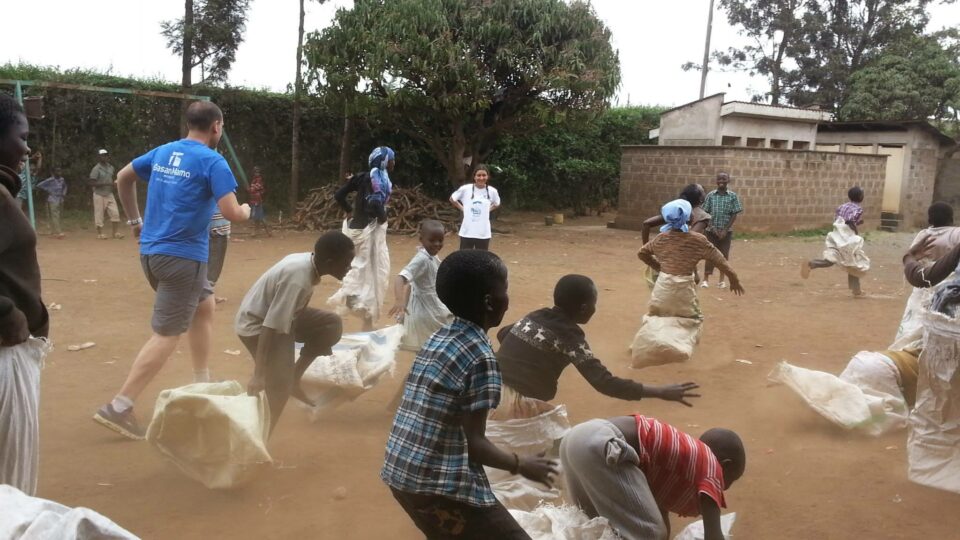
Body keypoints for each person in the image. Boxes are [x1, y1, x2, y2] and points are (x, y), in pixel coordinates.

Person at [92, 101, 250, 440]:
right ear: (217, 127)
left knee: (204, 306)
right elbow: (232, 213)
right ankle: (120, 406)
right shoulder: (213, 161)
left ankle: (201, 381)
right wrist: (248, 210)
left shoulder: (164, 152)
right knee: (167, 333)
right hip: (184, 259)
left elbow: (123, 177)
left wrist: (135, 220)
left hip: (152, 254)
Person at [381, 250, 557, 539]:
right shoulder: (480, 356)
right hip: (435, 485)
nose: (508, 298)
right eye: (505, 289)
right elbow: (475, 444)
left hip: (401, 472)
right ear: (490, 301)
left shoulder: (439, 337)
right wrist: (521, 464)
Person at [493, 274, 700, 416]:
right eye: (594, 303)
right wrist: (660, 392)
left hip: (488, 387)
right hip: (515, 406)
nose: (594, 308)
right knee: (557, 452)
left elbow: (504, 333)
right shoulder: (570, 335)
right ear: (584, 308)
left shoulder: (535, 316)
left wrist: (530, 358)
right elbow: (604, 382)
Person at [235, 231, 355, 432]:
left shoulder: (308, 262)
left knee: (331, 324)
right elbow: (270, 326)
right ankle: (260, 439)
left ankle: (294, 378)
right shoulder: (298, 279)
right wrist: (259, 374)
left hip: (283, 318)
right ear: (329, 261)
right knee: (278, 387)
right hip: (256, 325)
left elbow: (285, 314)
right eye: (346, 263)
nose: (349, 268)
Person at [561, 415, 745, 540]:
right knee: (650, 533)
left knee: (597, 527)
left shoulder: (681, 457)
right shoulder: (712, 468)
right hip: (603, 445)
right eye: (730, 480)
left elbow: (654, 511)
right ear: (725, 464)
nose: (723, 488)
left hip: (576, 440)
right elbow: (714, 535)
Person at [0, 94, 50, 495]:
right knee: (11, 494)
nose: (27, 147)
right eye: (22, 136)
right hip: (4, 356)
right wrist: (4, 312)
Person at [328, 146, 395, 331]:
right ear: (384, 161)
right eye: (391, 159)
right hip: (368, 232)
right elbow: (374, 203)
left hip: (354, 230)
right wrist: (383, 219)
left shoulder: (363, 176)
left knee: (357, 267)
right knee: (375, 272)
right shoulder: (379, 179)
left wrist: (349, 211)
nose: (393, 163)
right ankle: (365, 316)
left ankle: (357, 305)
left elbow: (339, 195)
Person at [890, 202, 960, 351]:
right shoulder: (957, 233)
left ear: (929, 220)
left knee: (914, 317)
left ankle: (907, 347)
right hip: (948, 281)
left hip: (925, 280)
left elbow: (913, 255)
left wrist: (908, 258)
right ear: (952, 219)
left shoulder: (923, 235)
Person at [388, 220, 452, 352]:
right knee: (437, 345)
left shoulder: (430, 256)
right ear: (421, 240)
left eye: (440, 240)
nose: (437, 244)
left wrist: (405, 306)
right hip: (428, 312)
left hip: (428, 309)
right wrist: (399, 302)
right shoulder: (422, 259)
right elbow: (400, 278)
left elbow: (411, 285)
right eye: (432, 240)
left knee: (427, 349)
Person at [800, 186, 868, 297]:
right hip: (847, 239)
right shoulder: (858, 209)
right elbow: (850, 221)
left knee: (832, 259)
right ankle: (856, 290)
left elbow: (839, 221)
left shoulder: (841, 206)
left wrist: (857, 223)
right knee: (853, 261)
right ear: (860, 197)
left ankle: (811, 264)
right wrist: (855, 232)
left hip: (836, 236)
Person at [641, 183, 711, 288]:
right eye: (703, 191)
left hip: (661, 262)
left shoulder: (677, 211)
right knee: (682, 301)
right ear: (700, 198)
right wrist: (695, 272)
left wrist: (648, 251)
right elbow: (691, 244)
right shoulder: (702, 217)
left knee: (660, 298)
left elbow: (646, 224)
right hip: (680, 268)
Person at [700, 172, 742, 289]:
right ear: (716, 181)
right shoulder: (711, 195)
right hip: (710, 231)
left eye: (724, 178)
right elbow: (705, 212)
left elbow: (734, 214)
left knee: (723, 256)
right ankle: (705, 280)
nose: (721, 181)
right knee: (710, 255)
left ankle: (721, 280)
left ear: (728, 180)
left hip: (726, 233)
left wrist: (725, 230)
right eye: (719, 179)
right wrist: (713, 228)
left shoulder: (732, 196)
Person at [450, 165, 501, 250]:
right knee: (465, 258)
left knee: (481, 259)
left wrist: (487, 210)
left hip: (483, 233)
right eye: (479, 175)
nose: (481, 178)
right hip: (467, 232)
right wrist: (463, 209)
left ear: (488, 176)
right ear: (474, 177)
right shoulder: (465, 189)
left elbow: (497, 203)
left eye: (484, 175)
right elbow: (452, 199)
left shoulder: (492, 191)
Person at [88, 149, 123, 240]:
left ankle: (115, 233)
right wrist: (107, 184)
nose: (104, 157)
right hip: (99, 194)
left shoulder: (111, 167)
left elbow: (112, 179)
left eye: (106, 155)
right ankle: (100, 234)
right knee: (99, 214)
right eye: (102, 155)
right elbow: (92, 183)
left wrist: (115, 184)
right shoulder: (96, 169)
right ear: (98, 157)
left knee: (115, 213)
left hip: (109, 193)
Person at [36, 166, 67, 239]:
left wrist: (64, 193)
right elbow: (39, 185)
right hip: (52, 199)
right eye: (57, 171)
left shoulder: (62, 179)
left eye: (60, 171)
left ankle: (54, 230)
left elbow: (65, 186)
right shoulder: (50, 180)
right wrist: (48, 189)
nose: (59, 173)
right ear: (53, 173)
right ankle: (58, 232)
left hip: (60, 199)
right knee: (55, 215)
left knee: (59, 215)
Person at [207, 212, 230, 303]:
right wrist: (244, 210)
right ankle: (207, 296)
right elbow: (232, 211)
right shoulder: (220, 196)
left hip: (211, 228)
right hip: (217, 230)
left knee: (207, 264)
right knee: (214, 265)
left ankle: (207, 295)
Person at [248, 166, 271, 237]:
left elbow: (255, 189)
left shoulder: (259, 180)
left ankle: (268, 232)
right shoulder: (254, 180)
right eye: (255, 172)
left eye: (257, 172)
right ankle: (256, 232)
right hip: (254, 200)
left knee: (260, 217)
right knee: (256, 217)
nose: (256, 173)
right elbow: (252, 190)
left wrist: (249, 189)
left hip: (257, 200)